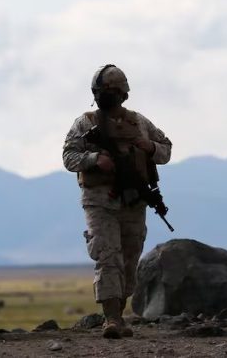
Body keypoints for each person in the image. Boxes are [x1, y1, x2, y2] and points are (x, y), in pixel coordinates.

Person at [61, 64, 172, 339]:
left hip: (133, 202)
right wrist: (95, 160)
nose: (104, 96)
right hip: (99, 201)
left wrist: (150, 147)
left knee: (129, 257)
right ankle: (110, 318)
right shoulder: (85, 123)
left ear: (123, 94)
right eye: (101, 91)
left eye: (110, 91)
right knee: (107, 255)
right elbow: (68, 157)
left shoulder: (140, 123)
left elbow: (166, 150)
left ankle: (119, 315)